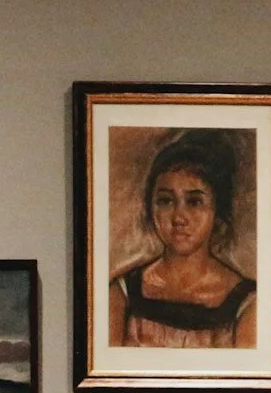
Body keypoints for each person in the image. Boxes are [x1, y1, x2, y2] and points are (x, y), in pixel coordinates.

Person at [107, 129, 255, 347]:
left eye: (194, 202)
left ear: (217, 212)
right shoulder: (122, 294)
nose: (178, 217)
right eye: (166, 201)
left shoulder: (246, 303)